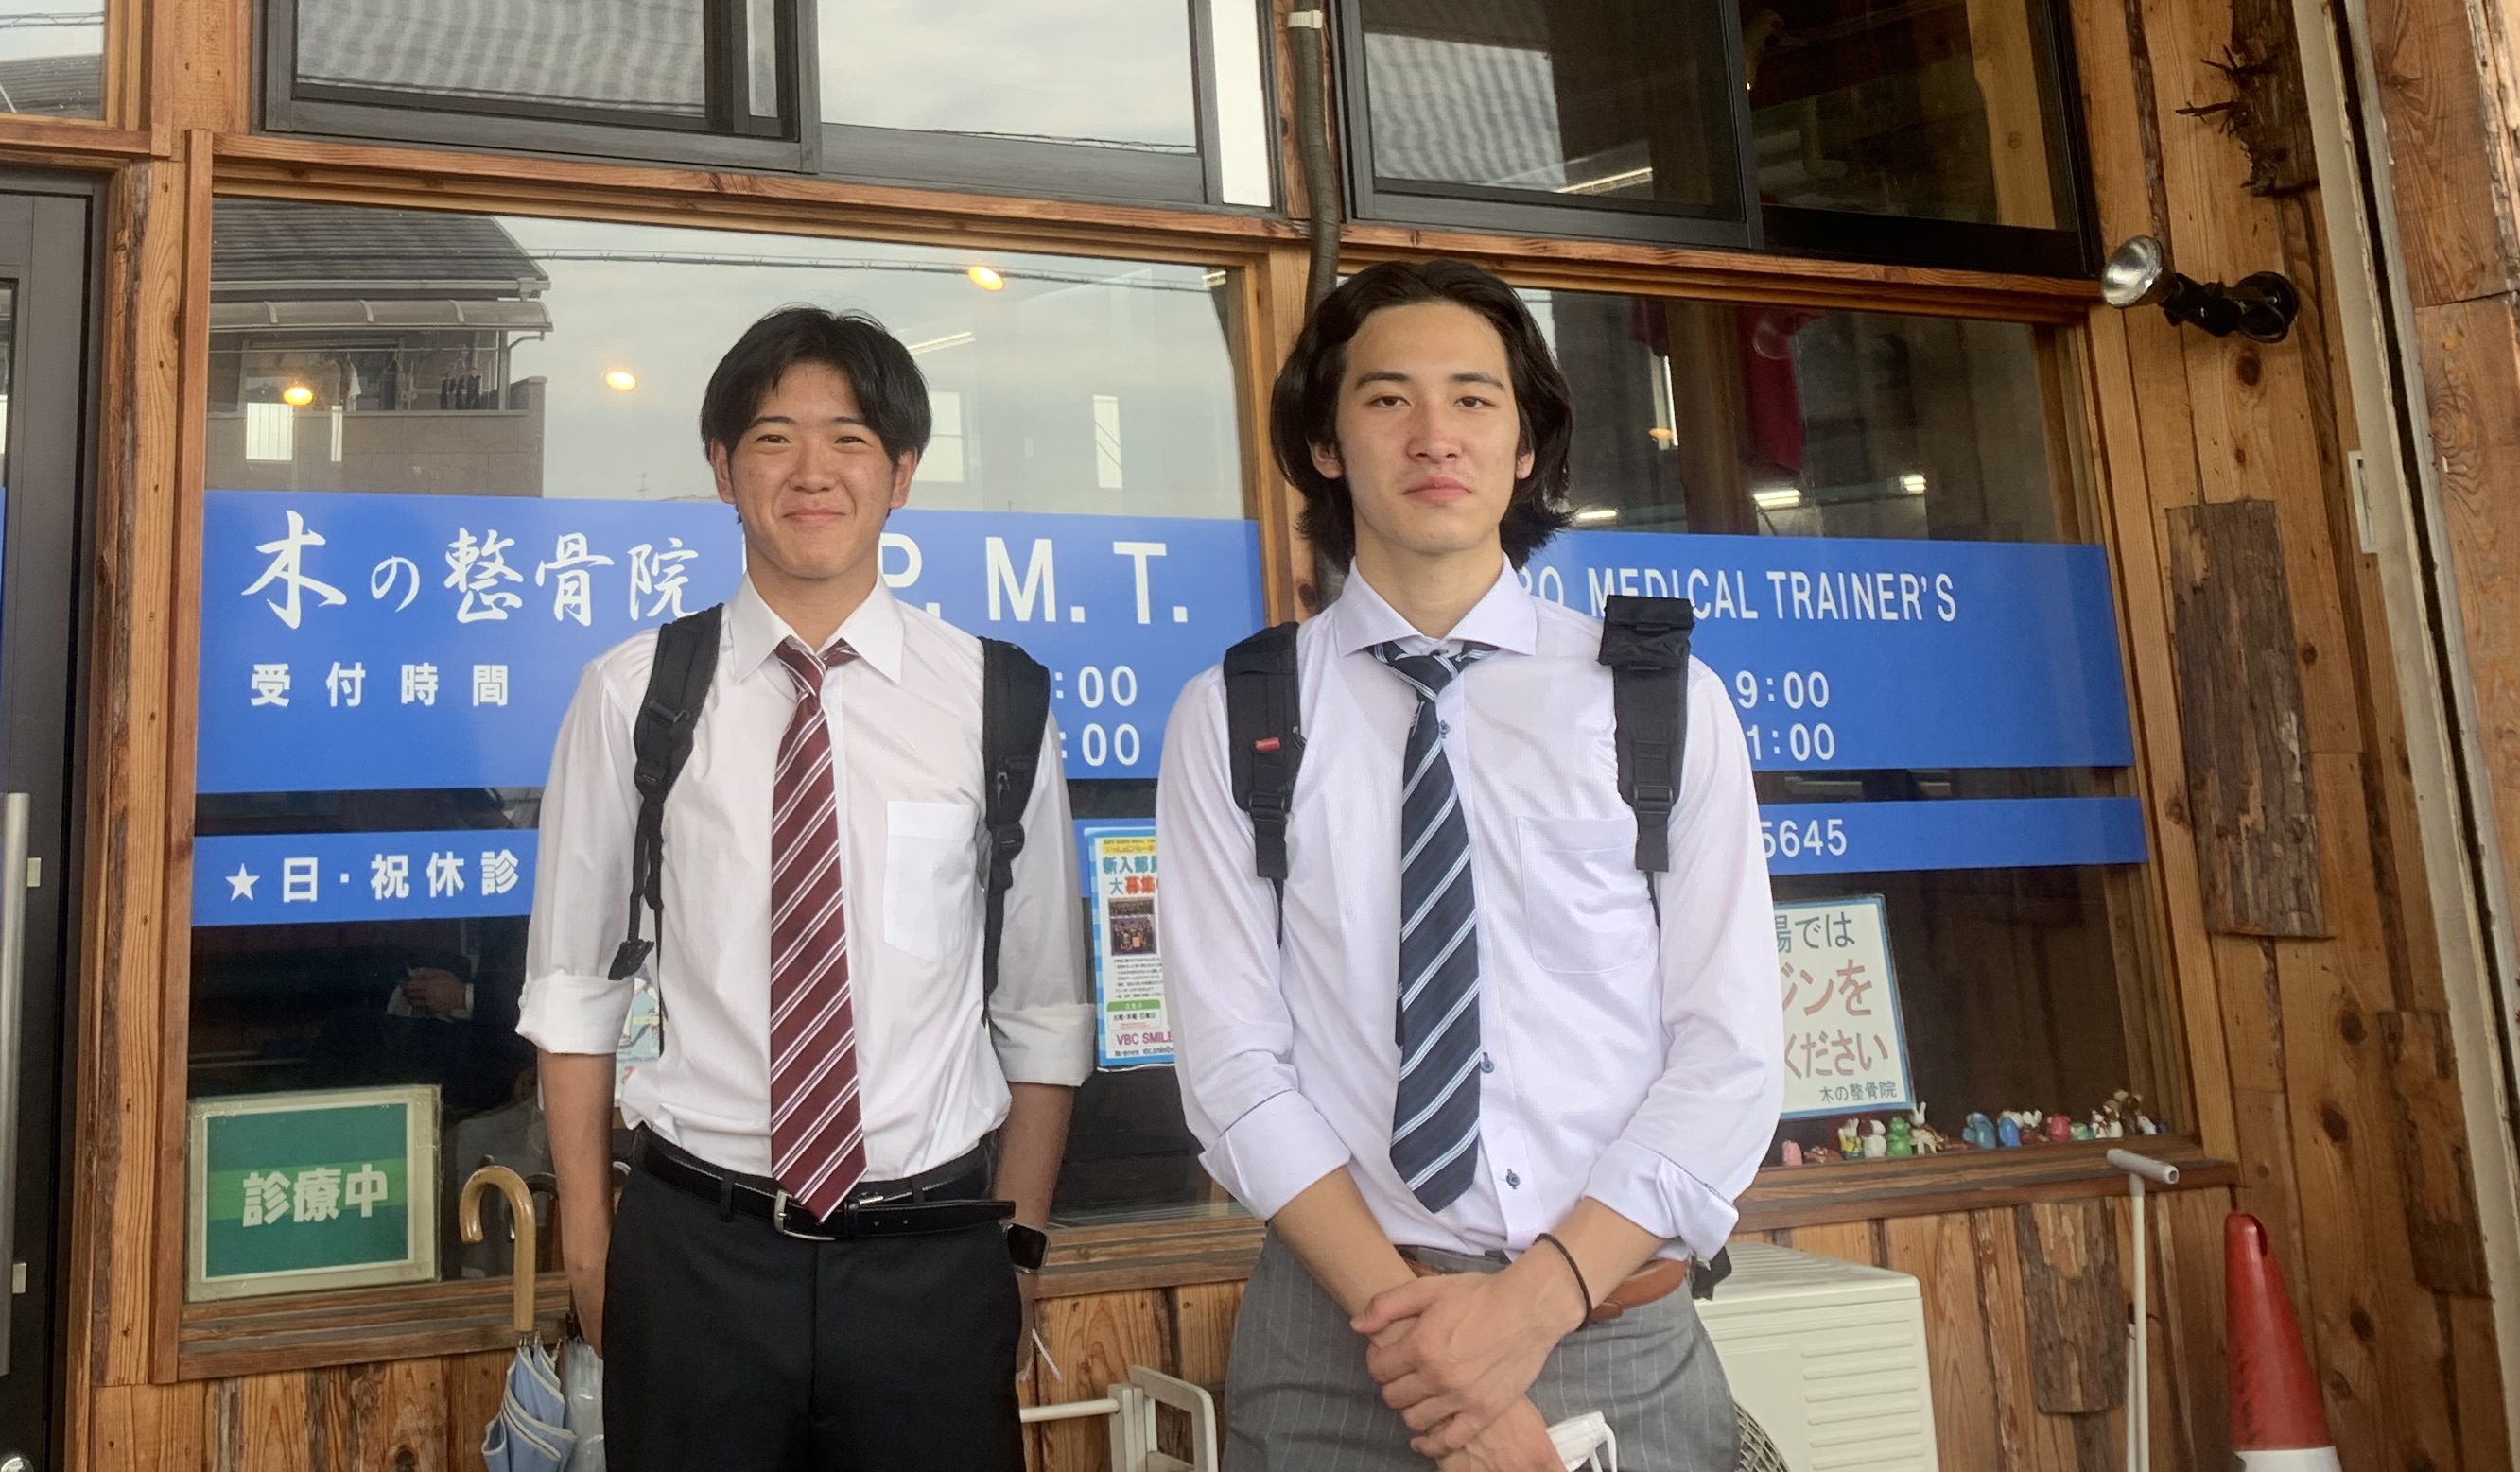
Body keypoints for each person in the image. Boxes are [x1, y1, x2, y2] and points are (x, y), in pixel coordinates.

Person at [1157, 260, 1781, 1470]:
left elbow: (1729, 1052)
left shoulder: (1657, 698)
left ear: (1527, 444)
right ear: (1326, 445)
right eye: (1387, 399)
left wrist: (1528, 1310)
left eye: (1475, 399)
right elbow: (1234, 1070)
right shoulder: (1235, 712)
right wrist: (1437, 1350)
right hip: (1341, 1340)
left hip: (1611, 1323)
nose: (1434, 434)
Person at [520, 305, 1091, 1471]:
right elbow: (574, 991)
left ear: (903, 473)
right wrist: (590, 1251)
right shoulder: (636, 694)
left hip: (932, 1255)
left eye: (851, 439)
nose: (813, 471)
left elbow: (1041, 1008)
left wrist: (1020, 1247)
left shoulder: (997, 702)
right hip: (698, 1256)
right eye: (774, 438)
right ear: (722, 469)